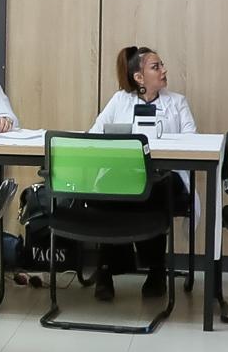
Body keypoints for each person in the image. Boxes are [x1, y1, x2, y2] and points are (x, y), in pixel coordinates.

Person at [76, 45, 197, 302]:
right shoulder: (120, 100)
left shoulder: (177, 102)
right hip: (123, 175)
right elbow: (94, 135)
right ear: (139, 77)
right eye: (156, 67)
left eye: (162, 65)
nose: (163, 70)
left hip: (165, 176)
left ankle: (156, 270)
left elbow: (192, 142)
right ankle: (106, 270)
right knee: (109, 189)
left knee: (154, 189)